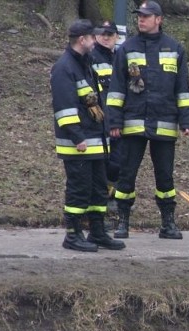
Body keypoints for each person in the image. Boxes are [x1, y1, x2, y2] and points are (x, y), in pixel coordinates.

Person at [106, 0, 189, 239]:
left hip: (165, 123)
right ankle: (122, 222)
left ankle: (168, 223)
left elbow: (183, 89)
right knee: (127, 174)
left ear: (159, 19)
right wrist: (114, 122)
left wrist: (187, 121)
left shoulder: (174, 48)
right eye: (139, 16)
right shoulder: (127, 48)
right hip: (132, 123)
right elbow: (116, 89)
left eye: (146, 16)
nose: (141, 19)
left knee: (165, 176)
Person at [50, 19, 125, 252]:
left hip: (95, 141)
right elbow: (65, 108)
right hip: (79, 144)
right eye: (92, 37)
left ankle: (97, 232)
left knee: (97, 190)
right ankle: (72, 235)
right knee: (79, 190)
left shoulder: (85, 63)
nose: (96, 40)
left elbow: (95, 102)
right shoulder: (65, 67)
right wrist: (77, 137)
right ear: (82, 40)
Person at [90, 20, 121, 198]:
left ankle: (110, 195)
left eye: (109, 34)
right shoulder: (91, 58)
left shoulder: (120, 57)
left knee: (117, 164)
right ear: (95, 36)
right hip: (100, 122)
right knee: (102, 164)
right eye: (102, 34)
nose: (106, 37)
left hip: (118, 121)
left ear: (117, 37)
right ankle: (102, 198)